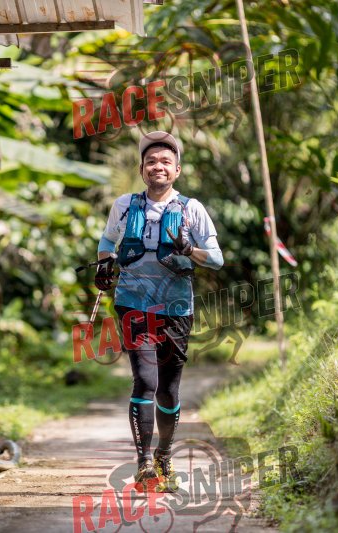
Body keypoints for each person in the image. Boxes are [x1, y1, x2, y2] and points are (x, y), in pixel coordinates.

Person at [94, 131, 223, 491]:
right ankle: (144, 463)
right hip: (133, 303)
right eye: (151, 161)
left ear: (177, 170)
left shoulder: (192, 210)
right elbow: (107, 240)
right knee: (145, 380)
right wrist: (104, 265)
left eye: (166, 161)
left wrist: (189, 249)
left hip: (176, 308)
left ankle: (164, 455)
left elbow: (216, 259)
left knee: (167, 388)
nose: (158, 166)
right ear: (142, 170)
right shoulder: (124, 205)